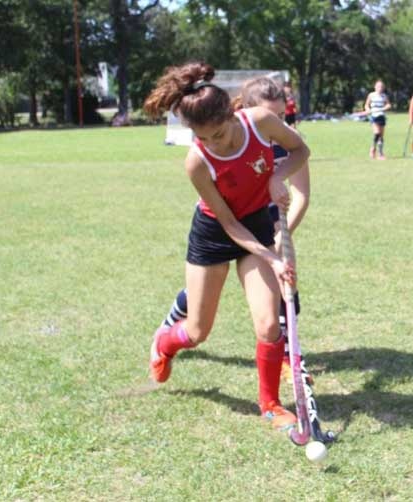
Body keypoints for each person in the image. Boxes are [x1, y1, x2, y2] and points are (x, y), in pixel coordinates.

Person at [142, 62, 310, 430]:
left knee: (269, 325)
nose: (215, 143)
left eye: (218, 133)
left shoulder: (261, 121)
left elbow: (300, 150)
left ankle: (269, 404)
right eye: (205, 138)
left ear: (232, 113)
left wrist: (276, 178)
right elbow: (228, 223)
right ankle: (165, 343)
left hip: (256, 225)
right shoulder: (197, 162)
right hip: (216, 235)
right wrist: (273, 258)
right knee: (198, 332)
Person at [364, 80, 391, 160]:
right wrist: (368, 109)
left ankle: (380, 153)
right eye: (378, 86)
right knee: (377, 133)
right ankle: (372, 149)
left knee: (381, 136)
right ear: (375, 87)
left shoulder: (384, 96)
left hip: (381, 116)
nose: (380, 88)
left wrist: (384, 108)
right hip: (374, 116)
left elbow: (389, 105)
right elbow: (366, 105)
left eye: (382, 87)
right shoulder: (371, 95)